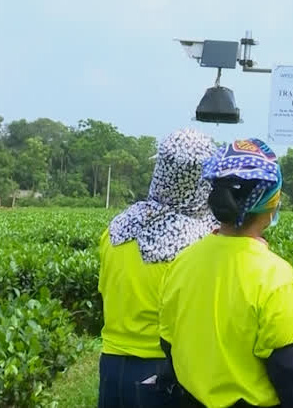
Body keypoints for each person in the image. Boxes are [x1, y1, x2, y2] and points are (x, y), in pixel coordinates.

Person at [159, 138, 293, 408]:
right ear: (270, 202)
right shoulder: (276, 277)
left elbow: (168, 344)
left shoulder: (182, 262)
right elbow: (289, 373)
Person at [97, 128, 219, 408]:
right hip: (165, 373)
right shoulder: (200, 241)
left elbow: (105, 290)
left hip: (112, 366)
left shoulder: (118, 228)